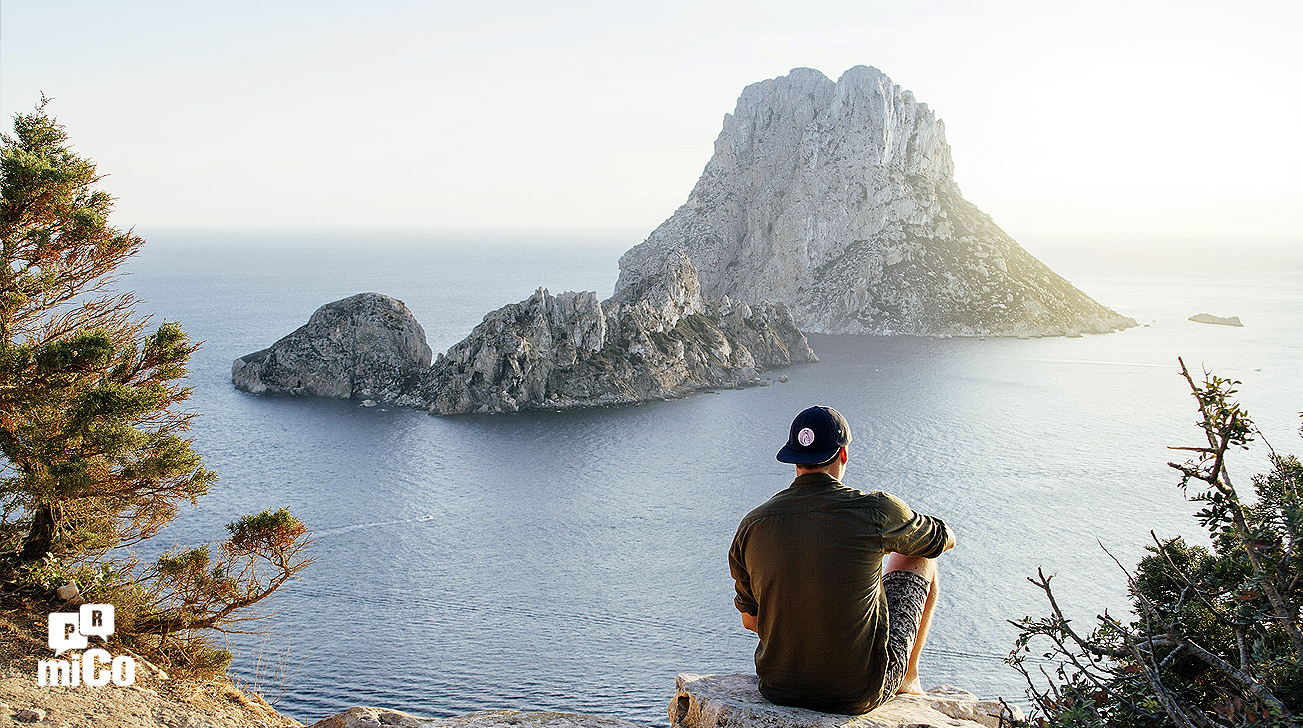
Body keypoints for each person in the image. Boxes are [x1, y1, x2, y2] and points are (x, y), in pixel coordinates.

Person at [728, 405, 955, 714]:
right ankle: (908, 678)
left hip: (779, 688)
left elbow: (751, 621)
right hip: (857, 693)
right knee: (921, 555)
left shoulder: (752, 525)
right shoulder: (875, 510)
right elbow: (941, 540)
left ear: (794, 459)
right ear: (843, 454)